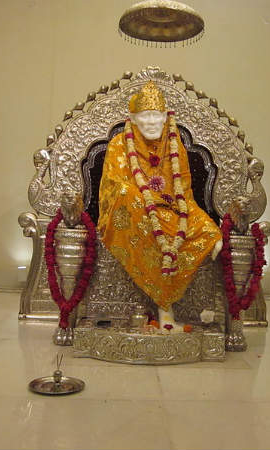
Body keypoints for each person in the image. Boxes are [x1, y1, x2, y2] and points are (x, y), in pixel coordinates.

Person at [97, 81, 222, 329]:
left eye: (156, 115)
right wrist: (148, 202)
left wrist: (210, 228)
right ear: (133, 118)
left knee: (209, 234)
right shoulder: (119, 144)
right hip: (135, 211)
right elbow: (114, 188)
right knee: (127, 197)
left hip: (173, 211)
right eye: (145, 116)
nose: (152, 122)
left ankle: (198, 308)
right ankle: (165, 308)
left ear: (166, 117)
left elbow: (184, 195)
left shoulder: (175, 146)